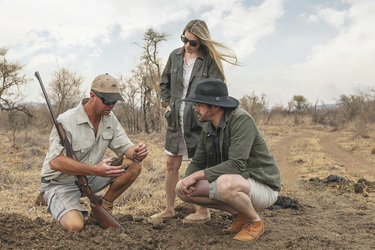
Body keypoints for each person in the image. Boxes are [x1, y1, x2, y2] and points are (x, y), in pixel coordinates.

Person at [149, 19, 238, 224]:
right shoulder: (175, 56)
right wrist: (166, 105)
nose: (187, 45)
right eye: (184, 39)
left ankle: (203, 211)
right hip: (175, 120)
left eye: (193, 42)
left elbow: (217, 90)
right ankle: (169, 209)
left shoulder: (210, 60)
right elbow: (164, 83)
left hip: (200, 121)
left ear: (202, 42)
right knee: (171, 164)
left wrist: (209, 116)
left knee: (201, 164)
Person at [39, 73, 148, 232]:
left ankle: (103, 207)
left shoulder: (109, 117)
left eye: (114, 101)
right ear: (92, 96)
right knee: (75, 226)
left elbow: (126, 147)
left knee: (133, 165)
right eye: (107, 101)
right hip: (60, 183)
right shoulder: (66, 120)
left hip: (91, 176)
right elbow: (55, 162)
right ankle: (55, 204)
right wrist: (96, 170)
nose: (111, 106)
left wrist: (137, 153)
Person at [175, 78, 281, 241]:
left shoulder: (241, 120)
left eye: (199, 105)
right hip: (237, 182)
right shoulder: (208, 127)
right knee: (180, 188)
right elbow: (198, 162)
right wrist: (187, 179)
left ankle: (255, 222)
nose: (195, 109)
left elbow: (236, 165)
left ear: (215, 106)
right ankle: (239, 216)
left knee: (224, 184)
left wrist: (197, 176)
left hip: (262, 186)